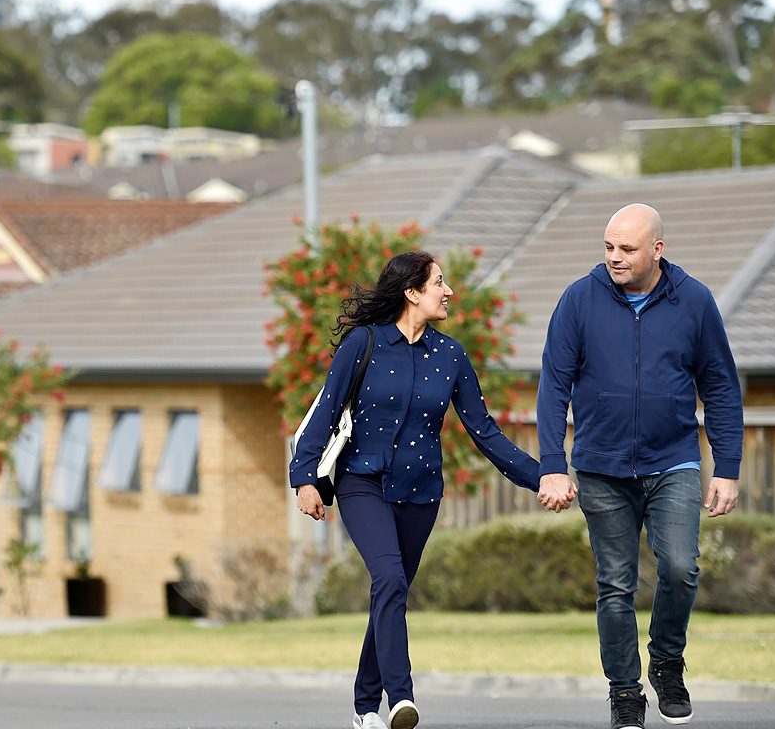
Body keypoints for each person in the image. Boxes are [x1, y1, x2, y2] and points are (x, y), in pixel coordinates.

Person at [292, 251, 575, 729]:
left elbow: (484, 431)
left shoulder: (451, 355)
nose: (449, 292)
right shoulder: (363, 344)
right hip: (363, 484)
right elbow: (323, 415)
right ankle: (401, 700)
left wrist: (543, 474)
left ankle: (365, 708)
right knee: (390, 580)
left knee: (391, 592)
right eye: (440, 283)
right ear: (412, 292)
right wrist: (304, 478)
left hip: (421, 494)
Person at [536, 204, 743, 729]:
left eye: (626, 249)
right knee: (615, 584)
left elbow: (720, 386)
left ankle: (667, 661)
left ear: (657, 249)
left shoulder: (693, 301)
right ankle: (625, 691)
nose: (614, 258)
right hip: (602, 468)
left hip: (672, 460)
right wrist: (553, 466)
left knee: (680, 567)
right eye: (608, 247)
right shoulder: (579, 300)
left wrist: (727, 466)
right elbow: (553, 387)